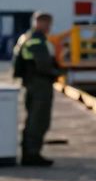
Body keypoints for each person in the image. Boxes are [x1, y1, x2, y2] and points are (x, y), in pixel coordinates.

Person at [12, 12, 63, 166]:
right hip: (39, 84)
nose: (49, 27)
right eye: (47, 23)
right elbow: (43, 65)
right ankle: (32, 154)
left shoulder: (27, 37)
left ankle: (30, 152)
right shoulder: (36, 41)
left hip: (32, 83)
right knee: (38, 120)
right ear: (39, 23)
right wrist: (59, 73)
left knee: (33, 119)